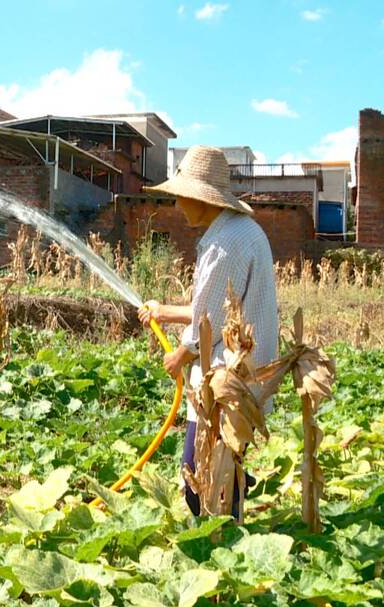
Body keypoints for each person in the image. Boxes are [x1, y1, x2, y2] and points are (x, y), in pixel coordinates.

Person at [136, 145, 278, 520]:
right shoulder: (242, 231)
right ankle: (232, 533)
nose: (178, 204)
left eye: (182, 196)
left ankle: (223, 543)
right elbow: (218, 309)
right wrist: (163, 311)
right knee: (222, 474)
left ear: (202, 198)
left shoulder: (223, 244)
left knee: (199, 483)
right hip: (243, 380)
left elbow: (208, 324)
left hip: (224, 384)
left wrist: (179, 356)